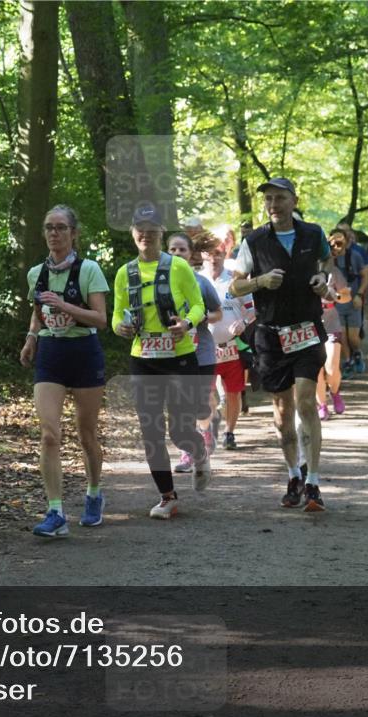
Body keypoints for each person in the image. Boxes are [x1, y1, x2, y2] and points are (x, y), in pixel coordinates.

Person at [230, 177, 333, 511]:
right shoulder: (254, 240)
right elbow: (235, 287)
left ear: (294, 200)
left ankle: (314, 482)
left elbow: (326, 263)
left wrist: (322, 279)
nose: (273, 205)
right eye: (269, 199)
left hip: (306, 330)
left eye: (280, 198)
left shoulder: (313, 233)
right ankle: (293, 474)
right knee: (283, 410)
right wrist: (260, 281)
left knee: (305, 402)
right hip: (271, 335)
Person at [113, 203, 210, 520]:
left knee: (180, 430)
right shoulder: (124, 273)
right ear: (132, 233)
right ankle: (167, 496)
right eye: (139, 228)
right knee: (150, 430)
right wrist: (120, 327)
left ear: (160, 233)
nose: (145, 233)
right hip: (144, 359)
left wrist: (186, 324)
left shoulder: (178, 268)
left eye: (152, 228)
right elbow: (116, 316)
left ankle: (198, 452)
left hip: (179, 358)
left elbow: (198, 307)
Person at [21, 205, 109, 538]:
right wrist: (31, 338)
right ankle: (56, 511)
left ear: (74, 233)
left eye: (60, 228)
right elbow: (38, 311)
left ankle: (94, 493)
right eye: (49, 228)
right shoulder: (36, 273)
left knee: (86, 435)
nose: (54, 233)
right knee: (49, 434)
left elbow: (101, 319)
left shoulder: (89, 270)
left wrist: (65, 306)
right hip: (51, 352)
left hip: (84, 352)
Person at [167, 231, 223, 469]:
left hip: (202, 351)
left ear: (191, 255)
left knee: (201, 403)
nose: (178, 253)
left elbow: (218, 313)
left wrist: (197, 319)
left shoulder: (201, 282)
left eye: (182, 250)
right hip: (173, 352)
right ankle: (188, 451)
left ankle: (206, 428)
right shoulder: (160, 283)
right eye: (173, 250)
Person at [203, 233, 256, 449]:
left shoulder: (235, 279)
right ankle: (207, 430)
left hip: (232, 347)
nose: (214, 258)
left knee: (233, 392)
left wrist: (243, 322)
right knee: (205, 393)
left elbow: (253, 310)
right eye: (209, 253)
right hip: (205, 347)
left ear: (225, 253)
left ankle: (230, 433)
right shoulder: (197, 280)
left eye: (218, 253)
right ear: (202, 254)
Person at [317, 238, 353, 419]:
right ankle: (322, 405)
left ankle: (335, 391)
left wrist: (336, 296)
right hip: (310, 326)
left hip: (331, 323)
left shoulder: (334, 272)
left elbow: (347, 296)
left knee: (331, 367)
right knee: (316, 370)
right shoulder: (303, 271)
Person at [330, 229, 368, 379]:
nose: (336, 245)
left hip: (353, 302)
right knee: (341, 336)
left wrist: (359, 294)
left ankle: (357, 354)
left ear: (346, 241)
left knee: (353, 337)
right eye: (333, 241)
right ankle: (347, 362)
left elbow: (365, 276)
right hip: (335, 304)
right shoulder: (327, 259)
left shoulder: (355, 256)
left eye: (340, 241)